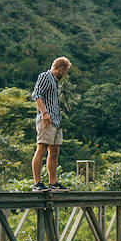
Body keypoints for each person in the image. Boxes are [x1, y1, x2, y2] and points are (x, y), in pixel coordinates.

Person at [31, 56, 71, 189]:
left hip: (56, 121)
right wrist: (44, 113)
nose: (65, 75)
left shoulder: (55, 82)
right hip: (46, 120)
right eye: (65, 72)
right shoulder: (45, 76)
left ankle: (53, 183)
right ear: (60, 68)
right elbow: (37, 95)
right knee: (41, 149)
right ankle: (37, 183)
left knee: (54, 152)